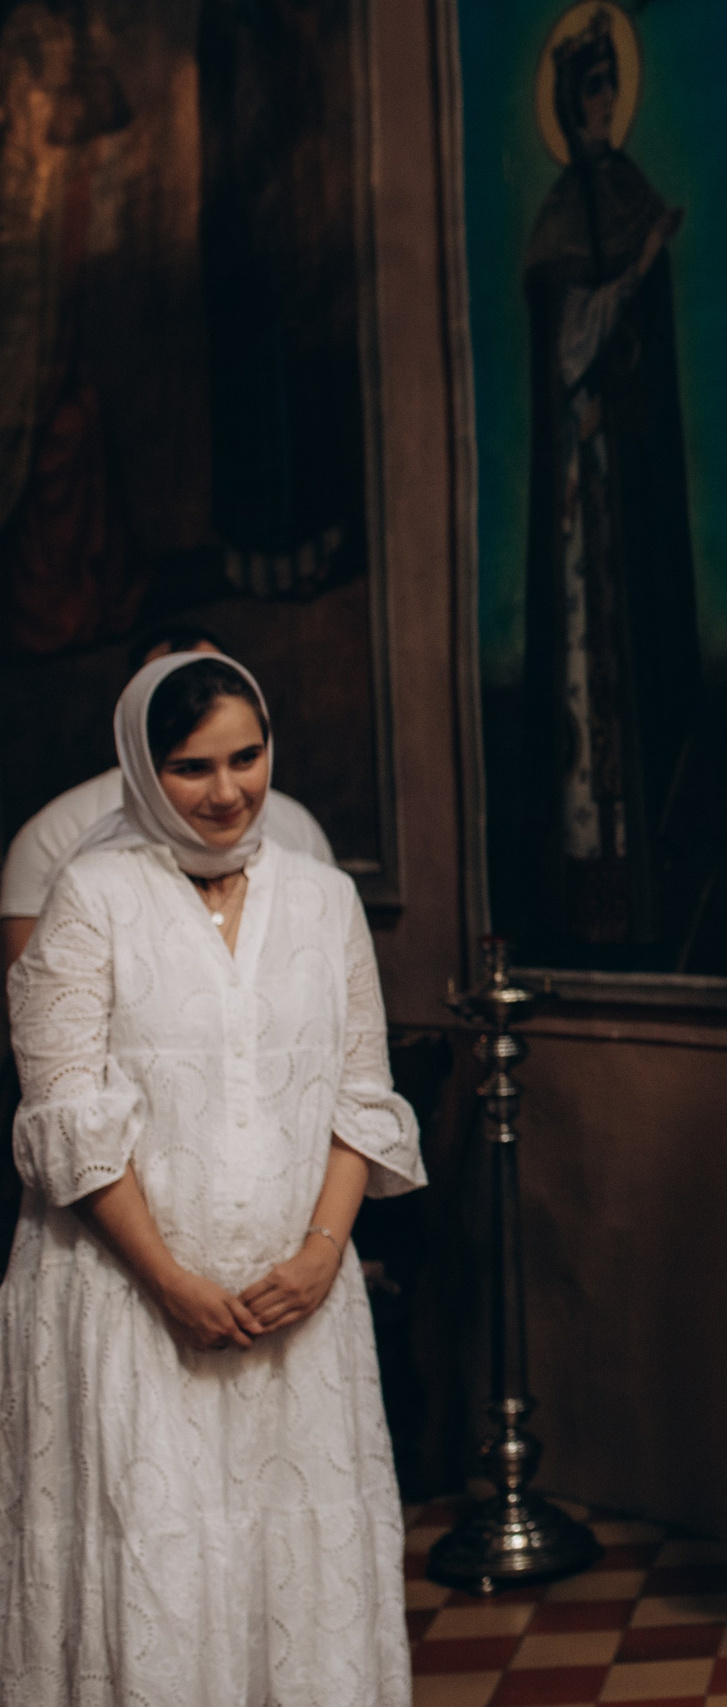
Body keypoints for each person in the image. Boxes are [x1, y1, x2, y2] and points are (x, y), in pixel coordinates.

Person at [1, 651, 423, 1703]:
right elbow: (64, 1117)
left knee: (296, 1573)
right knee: (159, 1564)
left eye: (247, 756)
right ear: (142, 771)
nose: (228, 790)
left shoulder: (325, 900)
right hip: (130, 1307)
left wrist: (321, 1256)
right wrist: (169, 1283)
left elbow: (361, 1097)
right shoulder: (91, 896)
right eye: (192, 766)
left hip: (298, 1314)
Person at [516, 7, 700, 951]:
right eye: (588, 89)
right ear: (566, 101)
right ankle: (591, 877)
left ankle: (653, 865)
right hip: (583, 485)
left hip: (631, 479)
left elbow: (639, 350)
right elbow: (568, 347)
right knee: (589, 672)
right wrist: (636, 267)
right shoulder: (566, 210)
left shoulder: (629, 189)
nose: (600, 103)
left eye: (608, 87)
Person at [2, 621, 333, 968]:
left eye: (214, 677)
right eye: (176, 687)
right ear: (137, 711)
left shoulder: (301, 836)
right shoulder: (62, 842)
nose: (225, 795)